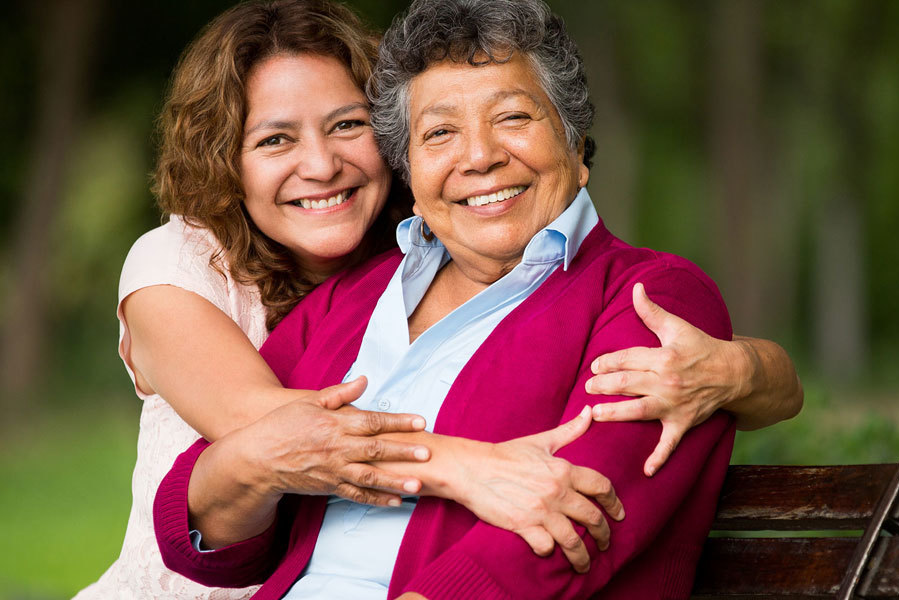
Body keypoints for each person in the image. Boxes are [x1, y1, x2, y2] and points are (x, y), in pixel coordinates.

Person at [77, 0, 802, 598]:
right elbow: (203, 526)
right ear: (413, 171)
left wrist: (754, 370)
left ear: (577, 147)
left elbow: (574, 524)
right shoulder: (352, 297)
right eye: (440, 132)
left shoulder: (646, 297)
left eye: (514, 117)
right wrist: (455, 465)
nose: (479, 155)